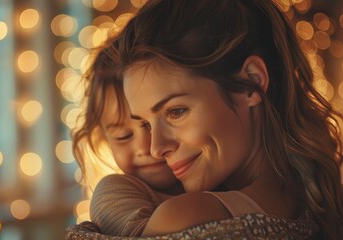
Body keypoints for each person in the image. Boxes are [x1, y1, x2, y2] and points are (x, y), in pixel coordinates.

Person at [114, 0, 343, 239]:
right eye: (146, 124)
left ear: (251, 83)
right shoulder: (317, 198)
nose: (156, 148)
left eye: (176, 111)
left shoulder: (182, 217)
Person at [71, 37, 184, 237]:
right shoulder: (112, 193)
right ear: (104, 140)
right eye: (123, 136)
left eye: (150, 125)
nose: (146, 146)